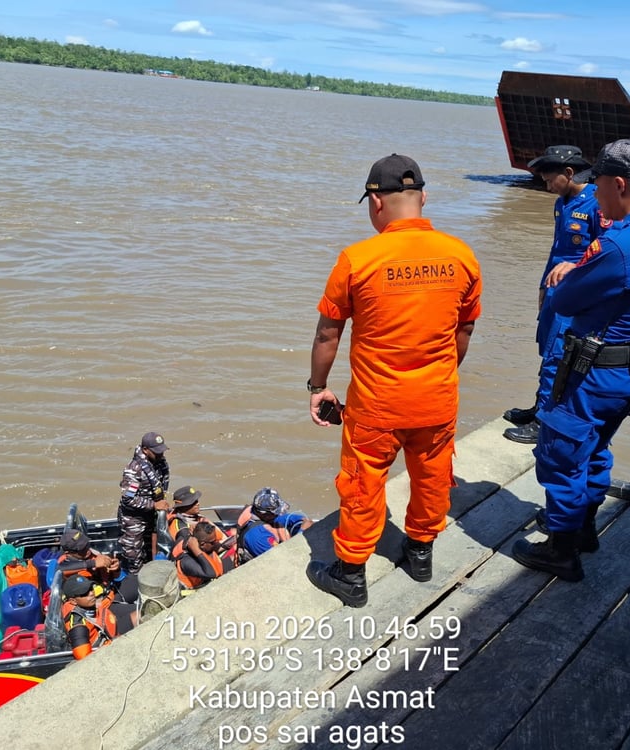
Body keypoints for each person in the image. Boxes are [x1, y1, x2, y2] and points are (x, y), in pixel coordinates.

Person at [305, 153, 482, 607]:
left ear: (376, 202)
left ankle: (350, 573)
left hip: (376, 406)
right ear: (423, 197)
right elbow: (463, 330)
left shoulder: (358, 259)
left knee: (362, 483)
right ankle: (420, 555)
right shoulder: (461, 256)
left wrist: (318, 387)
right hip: (437, 400)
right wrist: (441, 376)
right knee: (432, 477)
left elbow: (328, 333)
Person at [512, 138, 630, 581]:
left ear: (619, 184)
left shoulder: (619, 245)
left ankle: (561, 550)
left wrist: (570, 272)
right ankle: (585, 530)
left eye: (601, 186)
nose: (597, 195)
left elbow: (566, 300)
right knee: (594, 449)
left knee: (560, 454)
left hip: (590, 373)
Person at [503, 145, 611, 444]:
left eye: (550, 180)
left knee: (558, 354)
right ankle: (540, 405)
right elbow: (555, 251)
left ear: (569, 172)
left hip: (575, 294)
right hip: (554, 290)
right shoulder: (561, 203)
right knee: (546, 348)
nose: (547, 186)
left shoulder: (596, 205)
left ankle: (545, 422)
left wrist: (576, 270)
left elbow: (606, 253)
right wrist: (543, 286)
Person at [117, 431, 170, 574]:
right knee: (134, 555)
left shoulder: (159, 463)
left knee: (150, 550)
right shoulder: (134, 471)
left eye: (162, 451)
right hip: (134, 519)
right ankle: (135, 577)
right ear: (145, 450)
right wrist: (154, 505)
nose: (161, 454)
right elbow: (128, 499)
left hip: (151, 515)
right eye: (157, 452)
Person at [61, 574, 136, 660]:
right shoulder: (78, 626)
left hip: (111, 630)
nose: (91, 593)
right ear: (73, 601)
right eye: (84, 593)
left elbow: (102, 604)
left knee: (141, 613)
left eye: (90, 588)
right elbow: (84, 658)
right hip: (108, 647)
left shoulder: (85, 604)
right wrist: (110, 646)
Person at [57, 528, 138, 604]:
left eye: (87, 544)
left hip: (111, 589)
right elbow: (60, 570)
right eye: (82, 549)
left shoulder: (92, 554)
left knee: (141, 582)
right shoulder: (65, 566)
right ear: (68, 553)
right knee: (137, 611)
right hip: (99, 604)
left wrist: (116, 568)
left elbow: (114, 576)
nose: (87, 550)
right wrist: (93, 563)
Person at [236, 487, 313, 562]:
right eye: (276, 513)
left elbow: (289, 518)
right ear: (265, 515)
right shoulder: (257, 537)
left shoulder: (266, 516)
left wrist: (303, 521)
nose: (278, 514)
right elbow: (286, 559)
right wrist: (301, 532)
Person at [167, 484, 235, 554]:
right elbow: (200, 550)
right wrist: (229, 543)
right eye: (193, 502)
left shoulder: (194, 517)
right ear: (182, 506)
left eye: (197, 500)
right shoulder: (181, 528)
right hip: (208, 552)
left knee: (234, 531)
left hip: (215, 541)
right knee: (236, 546)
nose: (198, 503)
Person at [171, 522, 234, 590]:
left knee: (236, 550)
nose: (216, 543)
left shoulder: (186, 538)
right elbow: (212, 573)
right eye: (212, 542)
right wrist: (196, 549)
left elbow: (182, 531)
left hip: (211, 568)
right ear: (202, 544)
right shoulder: (186, 561)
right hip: (197, 588)